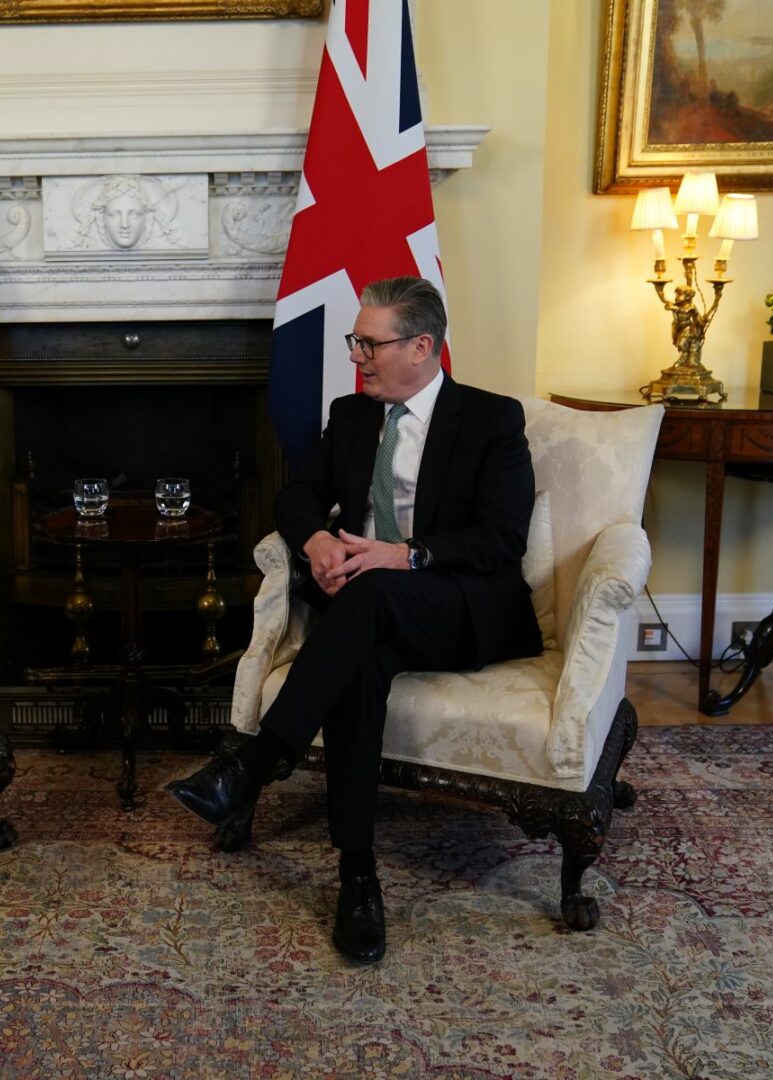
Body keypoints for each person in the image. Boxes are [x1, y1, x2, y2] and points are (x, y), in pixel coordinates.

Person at [167, 275, 542, 962]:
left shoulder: (492, 419)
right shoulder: (351, 416)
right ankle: (357, 875)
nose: (355, 356)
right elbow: (298, 494)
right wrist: (316, 540)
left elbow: (501, 539)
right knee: (360, 666)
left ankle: (254, 762)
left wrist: (405, 555)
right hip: (364, 612)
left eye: (370, 344)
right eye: (355, 342)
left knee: (369, 595)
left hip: (457, 604)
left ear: (421, 347)